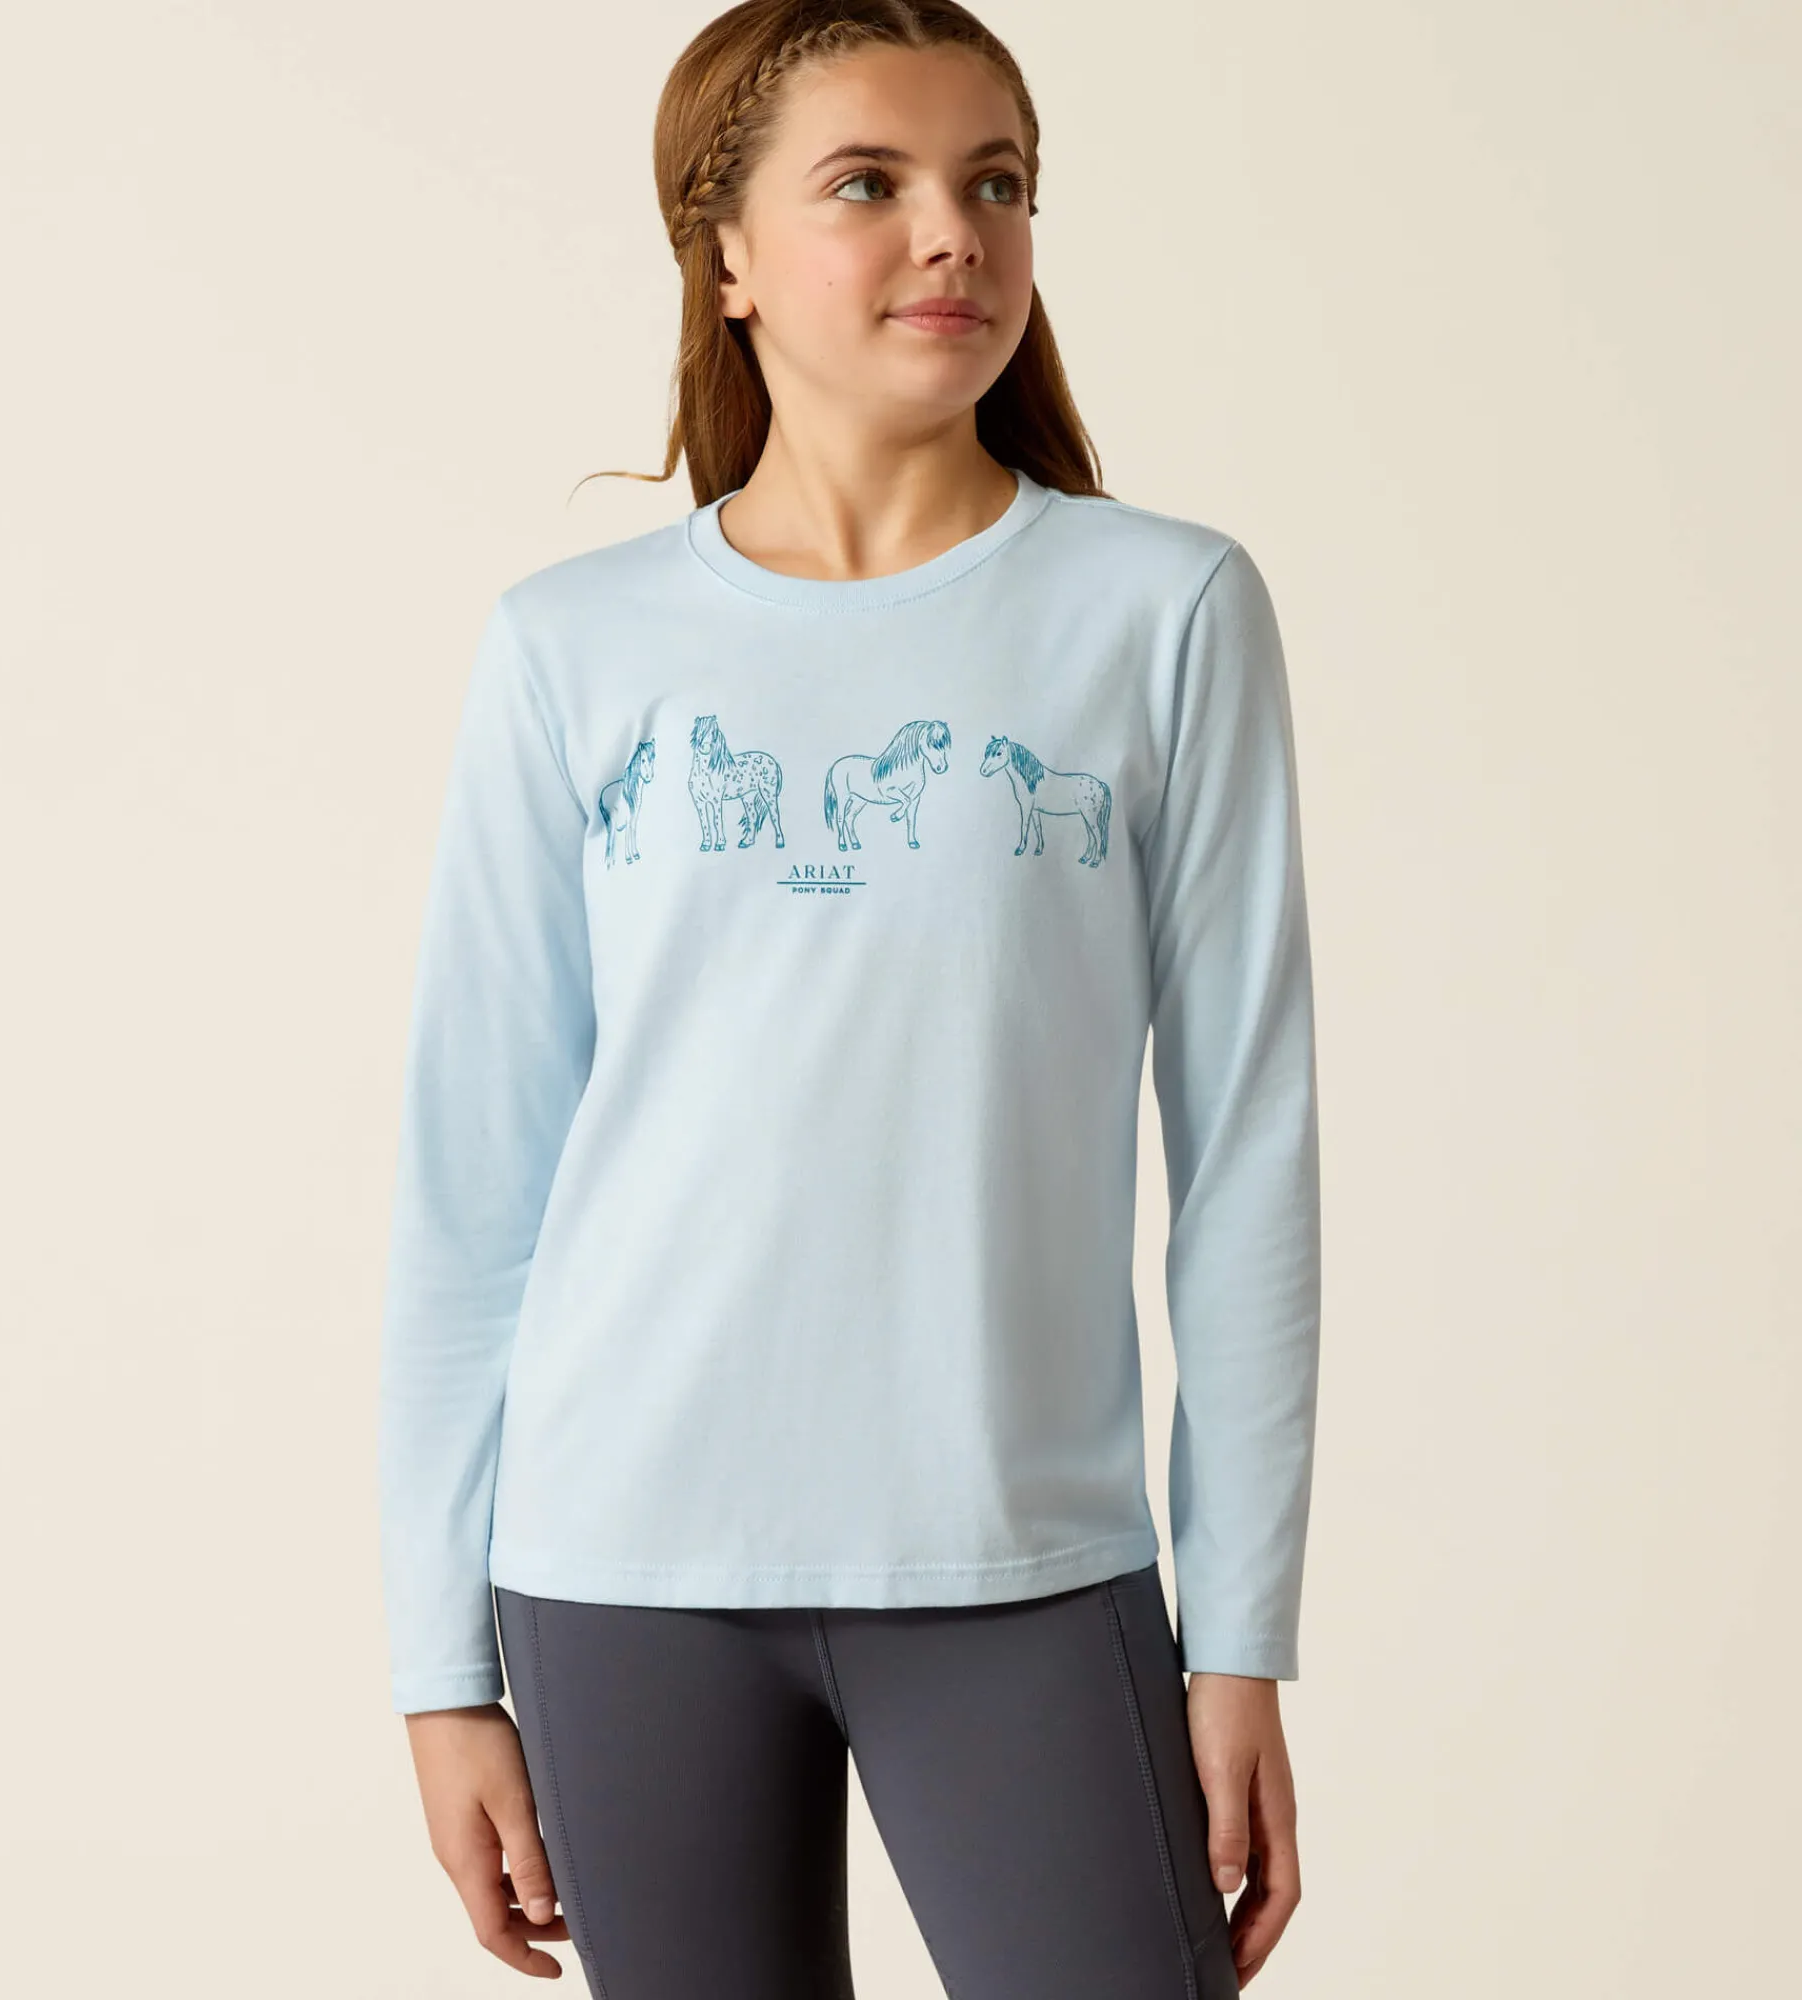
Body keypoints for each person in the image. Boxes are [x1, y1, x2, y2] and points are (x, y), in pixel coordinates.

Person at [375, 2, 1321, 1993]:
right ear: (724, 255)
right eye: (869, 184)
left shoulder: (1161, 613)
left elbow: (1248, 1153)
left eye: (998, 183)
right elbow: (476, 1182)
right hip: (616, 1569)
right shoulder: (571, 650)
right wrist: (439, 1663)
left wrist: (1239, 1633)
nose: (954, 233)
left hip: (1021, 1557)